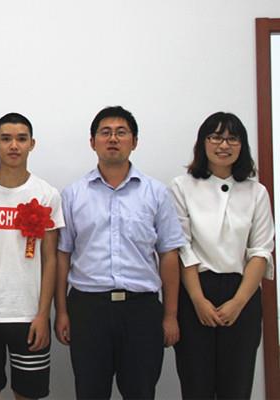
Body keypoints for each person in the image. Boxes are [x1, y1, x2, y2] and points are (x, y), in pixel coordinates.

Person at [54, 106, 186, 399]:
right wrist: (61, 312)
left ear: (134, 142)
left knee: (141, 392)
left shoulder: (156, 193)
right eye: (105, 132)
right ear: (93, 142)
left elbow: (168, 254)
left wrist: (170, 315)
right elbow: (63, 255)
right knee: (90, 392)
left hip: (141, 310)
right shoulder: (73, 194)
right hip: (88, 309)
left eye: (121, 132)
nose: (113, 138)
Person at [170, 112, 274, 399]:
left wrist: (238, 302)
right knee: (196, 384)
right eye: (216, 137)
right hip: (195, 291)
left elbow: (261, 250)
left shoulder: (256, 192)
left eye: (232, 139)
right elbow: (182, 247)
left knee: (236, 386)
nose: (224, 145)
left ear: (242, 146)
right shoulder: (182, 186)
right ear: (203, 142)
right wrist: (198, 300)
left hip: (242, 292)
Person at [0, 112, 63, 400]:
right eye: (6, 139)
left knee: (27, 394)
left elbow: (51, 259)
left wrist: (43, 314)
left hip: (30, 316)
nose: (14, 145)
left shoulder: (47, 194)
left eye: (21, 139)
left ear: (32, 144)